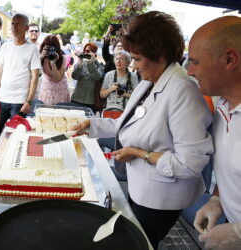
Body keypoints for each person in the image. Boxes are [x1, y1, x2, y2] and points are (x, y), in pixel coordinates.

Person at [73, 11, 213, 249]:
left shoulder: (183, 91)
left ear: (158, 54)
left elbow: (190, 164)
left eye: (137, 59)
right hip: (140, 188)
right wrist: (92, 124)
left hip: (162, 199)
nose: (134, 67)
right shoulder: (149, 82)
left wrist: (140, 154)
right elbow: (129, 123)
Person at [187, 16, 241, 250]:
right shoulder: (223, 108)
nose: (189, 71)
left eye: (195, 62)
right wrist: (218, 199)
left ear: (229, 59)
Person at [0, 14, 40, 141]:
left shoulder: (32, 49)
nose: (14, 27)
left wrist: (29, 101)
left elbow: (35, 78)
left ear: (26, 28)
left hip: (19, 101)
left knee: (15, 135)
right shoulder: (5, 46)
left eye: (18, 24)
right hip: (2, 98)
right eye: (13, 24)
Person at [61, 42, 103, 113]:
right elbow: (74, 76)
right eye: (86, 51)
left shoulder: (100, 66)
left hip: (90, 102)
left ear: (95, 52)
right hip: (76, 99)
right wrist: (79, 64)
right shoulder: (80, 63)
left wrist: (90, 63)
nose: (87, 53)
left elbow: (96, 77)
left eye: (90, 51)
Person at [100, 50, 138, 117]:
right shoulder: (109, 75)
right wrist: (110, 89)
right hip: (109, 111)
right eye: (117, 59)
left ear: (127, 63)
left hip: (125, 112)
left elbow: (137, 97)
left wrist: (124, 94)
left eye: (121, 59)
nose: (118, 61)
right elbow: (102, 95)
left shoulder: (133, 77)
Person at [38, 35, 69, 105]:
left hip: (60, 92)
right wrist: (41, 57)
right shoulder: (41, 57)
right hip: (46, 91)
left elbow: (58, 79)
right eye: (48, 47)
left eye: (53, 48)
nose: (50, 50)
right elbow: (34, 73)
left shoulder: (63, 58)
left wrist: (53, 63)